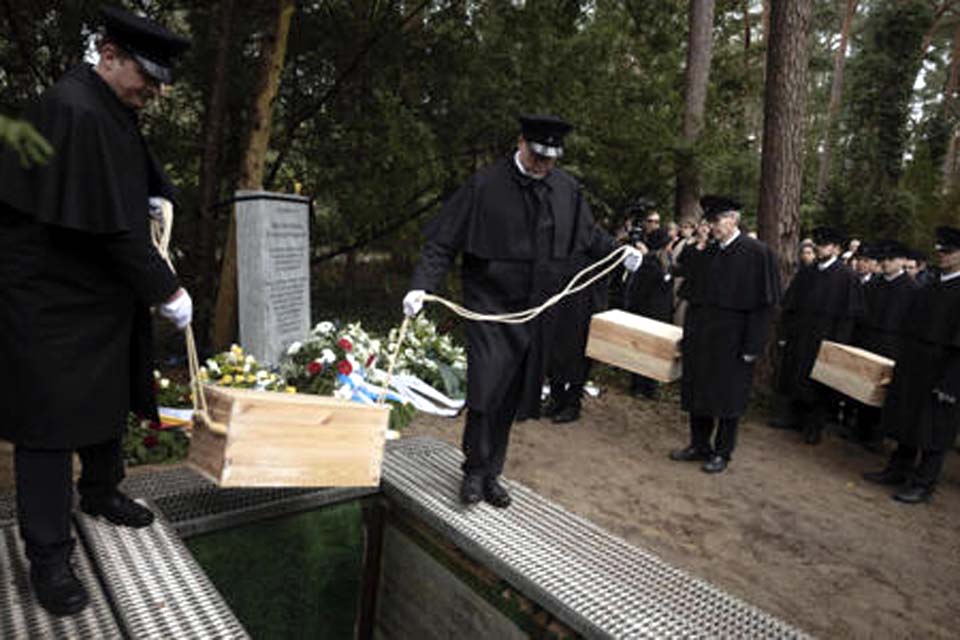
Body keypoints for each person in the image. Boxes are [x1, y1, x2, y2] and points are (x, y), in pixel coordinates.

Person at [0, 6, 191, 616]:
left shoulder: (107, 104)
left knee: (106, 393)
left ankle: (102, 491)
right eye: (147, 77)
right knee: (49, 425)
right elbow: (111, 228)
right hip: (49, 298)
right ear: (108, 55)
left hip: (94, 293)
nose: (154, 92)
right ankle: (49, 557)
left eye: (159, 82)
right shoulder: (74, 107)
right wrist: (167, 290)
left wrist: (155, 194)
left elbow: (125, 179)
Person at [403, 114, 642, 507]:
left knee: (512, 393)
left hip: (537, 309)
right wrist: (420, 287)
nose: (542, 165)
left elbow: (588, 235)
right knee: (485, 388)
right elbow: (442, 242)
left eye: (550, 159)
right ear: (521, 144)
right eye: (536, 156)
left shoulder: (565, 189)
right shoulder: (484, 184)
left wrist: (622, 253)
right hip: (490, 306)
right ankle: (473, 470)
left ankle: (492, 473)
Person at [668, 196, 780, 473]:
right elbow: (685, 272)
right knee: (699, 390)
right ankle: (699, 445)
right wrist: (699, 244)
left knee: (728, 397)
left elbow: (765, 305)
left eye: (716, 221)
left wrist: (753, 345)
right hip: (702, 334)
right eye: (709, 221)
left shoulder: (757, 253)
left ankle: (722, 452)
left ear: (733, 220)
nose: (712, 226)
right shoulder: (708, 251)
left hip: (734, 338)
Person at [862, 227, 960, 503]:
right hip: (915, 364)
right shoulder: (932, 285)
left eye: (949, 251)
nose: (942, 255)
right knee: (908, 420)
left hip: (944, 368)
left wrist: (951, 383)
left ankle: (924, 482)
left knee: (934, 429)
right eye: (940, 250)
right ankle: (898, 468)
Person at [775, 227, 865, 444]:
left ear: (835, 249)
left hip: (827, 337)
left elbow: (849, 316)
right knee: (797, 375)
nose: (819, 248)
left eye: (824, 245)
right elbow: (791, 304)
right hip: (801, 334)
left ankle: (814, 426)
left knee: (819, 384)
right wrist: (786, 332)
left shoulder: (847, 277)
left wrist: (837, 344)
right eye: (818, 244)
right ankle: (794, 417)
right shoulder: (808, 272)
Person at [851, 241, 919, 449]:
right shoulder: (873, 285)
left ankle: (877, 435)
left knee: (883, 392)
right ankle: (860, 429)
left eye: (891, 259)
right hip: (869, 340)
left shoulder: (913, 289)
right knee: (863, 388)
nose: (886, 263)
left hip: (892, 346)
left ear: (902, 261)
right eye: (883, 259)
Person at [623, 227, 674, 399]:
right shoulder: (651, 263)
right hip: (649, 314)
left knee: (652, 351)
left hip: (657, 314)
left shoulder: (663, 261)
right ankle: (641, 386)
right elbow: (641, 290)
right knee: (645, 350)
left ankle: (647, 386)